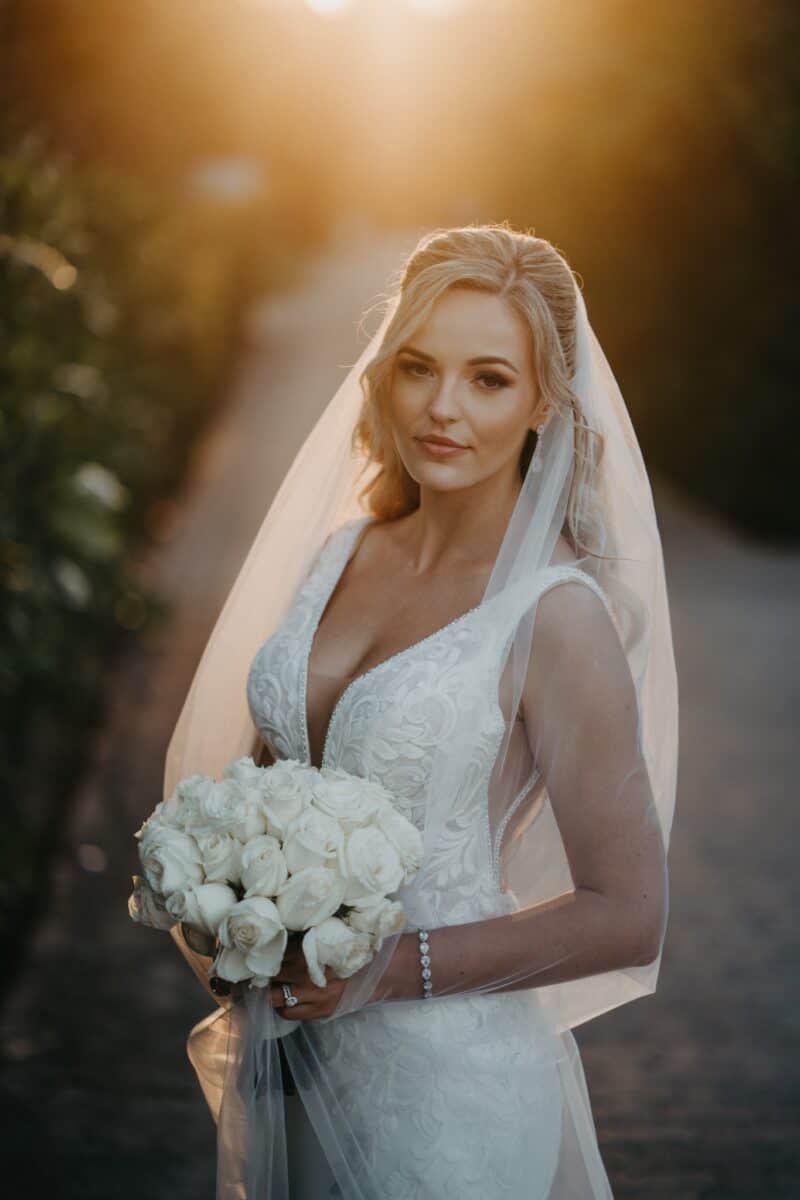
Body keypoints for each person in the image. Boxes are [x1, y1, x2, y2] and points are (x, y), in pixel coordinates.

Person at [164, 223, 679, 1199]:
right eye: (417, 368)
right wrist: (234, 906)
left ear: (543, 401)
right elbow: (267, 789)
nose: (442, 409)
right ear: (382, 376)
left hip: (441, 1097)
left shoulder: (555, 615)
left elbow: (629, 915)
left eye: (487, 379)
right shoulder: (338, 555)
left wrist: (385, 972)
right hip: (290, 1062)